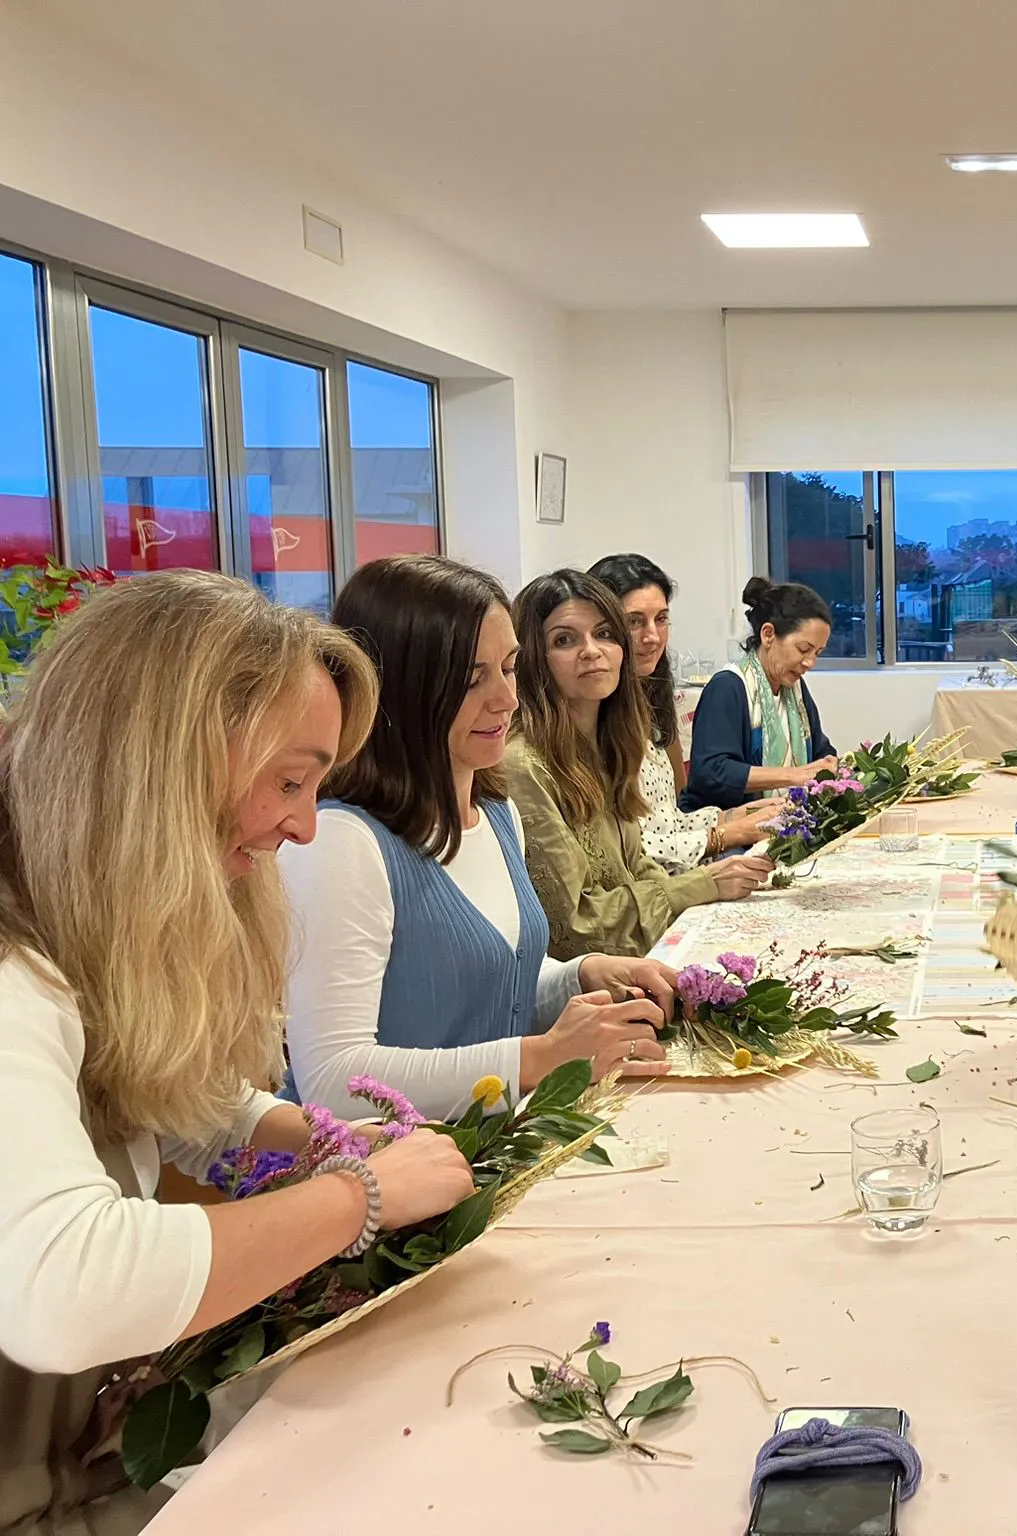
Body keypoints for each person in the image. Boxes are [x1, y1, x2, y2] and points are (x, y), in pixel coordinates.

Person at [0, 573, 475, 1533]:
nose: (303, 825)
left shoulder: (71, 911)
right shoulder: (13, 971)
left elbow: (162, 1096)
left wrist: (308, 1136)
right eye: (289, 781)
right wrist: (359, 1197)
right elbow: (63, 1286)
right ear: (159, 763)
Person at [281, 556, 686, 1123]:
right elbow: (332, 1081)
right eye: (473, 680)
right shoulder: (340, 844)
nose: (506, 699)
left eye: (510, 668)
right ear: (400, 690)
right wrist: (538, 1058)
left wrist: (581, 974)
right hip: (388, 1163)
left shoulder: (496, 813)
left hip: (492, 1138)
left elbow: (494, 985)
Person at [503, 569, 771, 960]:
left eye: (604, 634)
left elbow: (637, 867)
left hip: (639, 956)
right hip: (591, 983)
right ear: (532, 659)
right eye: (564, 640)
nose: (591, 651)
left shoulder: (610, 745)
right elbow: (574, 928)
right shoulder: (525, 767)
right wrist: (702, 883)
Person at [587, 554, 780, 872]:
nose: (652, 636)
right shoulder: (590, 720)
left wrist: (736, 816)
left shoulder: (647, 706)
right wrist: (728, 834)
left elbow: (668, 820)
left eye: (661, 619)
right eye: (634, 621)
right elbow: (628, 851)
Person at [683, 576, 838, 812]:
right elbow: (712, 773)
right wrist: (792, 775)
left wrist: (829, 763)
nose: (810, 663)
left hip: (784, 819)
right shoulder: (728, 687)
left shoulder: (795, 689)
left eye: (817, 653)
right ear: (768, 634)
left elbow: (820, 749)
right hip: (725, 823)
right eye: (803, 649)